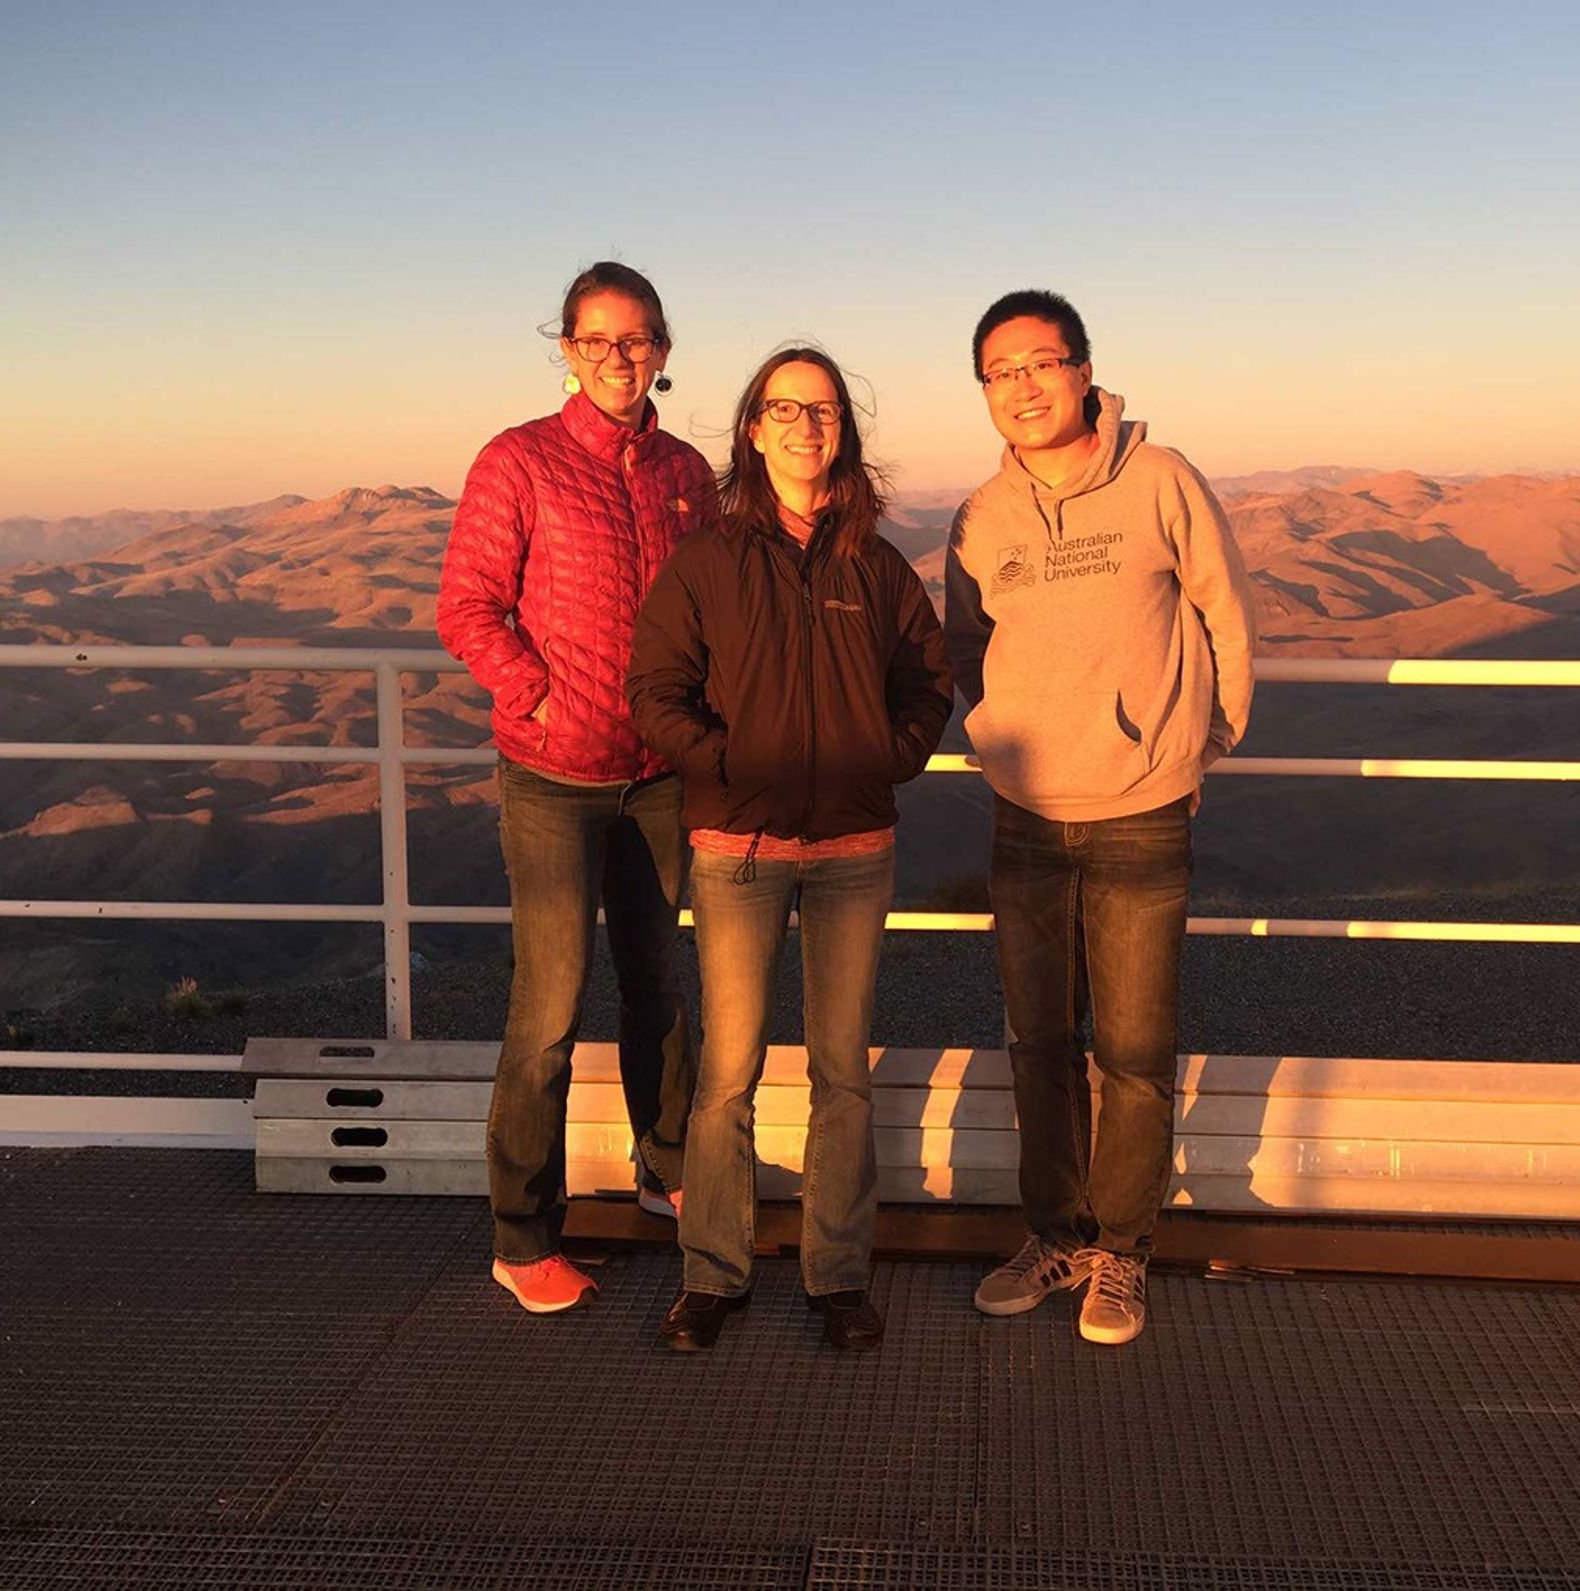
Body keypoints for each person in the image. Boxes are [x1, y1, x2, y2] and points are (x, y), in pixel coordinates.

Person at [944, 289, 1257, 1345]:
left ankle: (1121, 1253)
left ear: (1082, 370)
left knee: (1130, 1047)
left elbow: (1222, 607)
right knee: (1037, 1043)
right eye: (999, 371)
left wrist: (1201, 743)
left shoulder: (1161, 479)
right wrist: (991, 733)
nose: (1020, 386)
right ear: (982, 391)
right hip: (1024, 814)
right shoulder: (981, 516)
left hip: (1139, 812)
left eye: (1039, 363)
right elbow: (959, 646)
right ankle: (1053, 1236)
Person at [627, 348, 952, 1352]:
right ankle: (711, 1275)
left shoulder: (878, 566)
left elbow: (926, 681)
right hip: (736, 847)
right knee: (728, 1070)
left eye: (821, 409)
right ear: (753, 430)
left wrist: (884, 758)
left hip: (854, 845)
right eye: (784, 407)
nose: (804, 424)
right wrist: (726, 766)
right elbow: (654, 691)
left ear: (841, 434)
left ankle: (837, 1277)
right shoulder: (707, 563)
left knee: (839, 1071)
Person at [437, 261, 716, 1315]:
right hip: (553, 777)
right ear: (564, 346)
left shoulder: (687, 470)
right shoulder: (518, 461)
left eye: (635, 338)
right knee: (548, 1009)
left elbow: (712, 614)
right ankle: (521, 1233)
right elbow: (466, 606)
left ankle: (668, 1171)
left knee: (659, 989)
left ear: (662, 348)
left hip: (657, 778)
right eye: (595, 339)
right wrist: (537, 693)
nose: (617, 357)